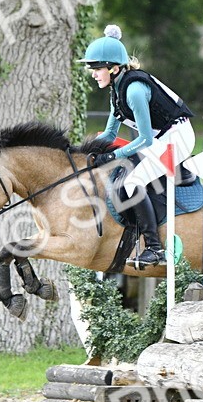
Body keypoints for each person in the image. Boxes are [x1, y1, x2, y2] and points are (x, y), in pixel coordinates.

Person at [81, 24, 195, 268]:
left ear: (114, 68)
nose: (93, 74)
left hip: (178, 137)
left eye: (97, 68)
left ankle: (154, 249)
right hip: (163, 137)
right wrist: (82, 154)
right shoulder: (116, 91)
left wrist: (111, 157)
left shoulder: (133, 90)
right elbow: (110, 133)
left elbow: (145, 139)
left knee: (133, 181)